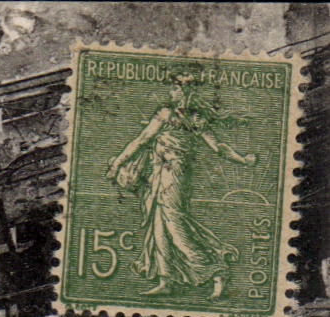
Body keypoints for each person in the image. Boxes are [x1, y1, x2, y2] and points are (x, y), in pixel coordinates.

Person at [105, 73, 256, 298]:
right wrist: (117, 163)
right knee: (159, 225)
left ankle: (216, 271)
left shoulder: (185, 116)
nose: (171, 93)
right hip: (158, 173)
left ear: (186, 91)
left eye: (175, 89)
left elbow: (217, 147)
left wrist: (242, 160)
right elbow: (143, 140)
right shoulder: (177, 114)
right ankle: (166, 280)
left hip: (174, 174)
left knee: (175, 225)